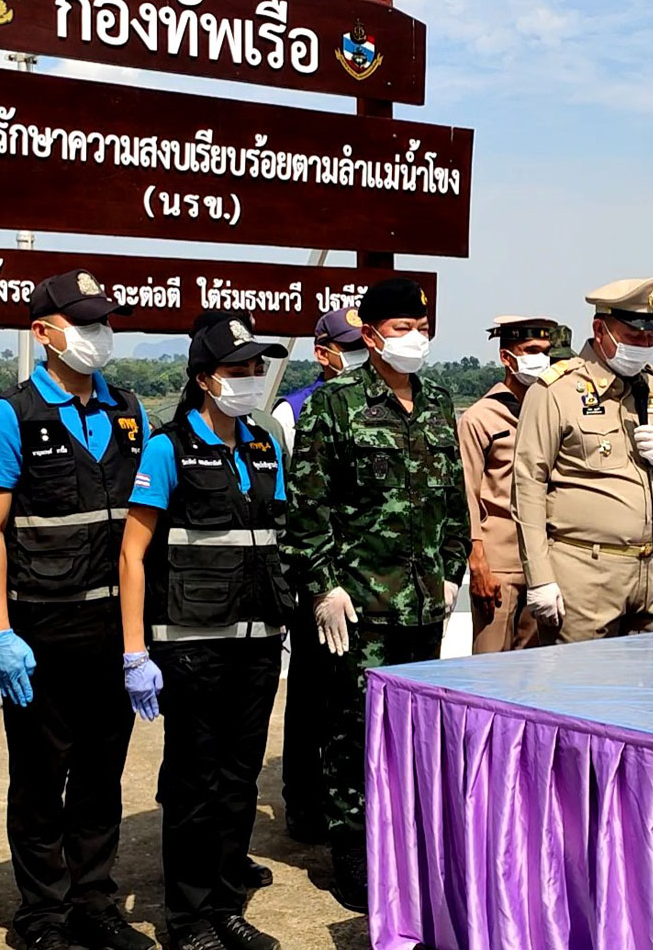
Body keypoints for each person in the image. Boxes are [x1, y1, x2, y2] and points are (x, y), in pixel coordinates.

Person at [0, 271, 150, 950]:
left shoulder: (128, 408)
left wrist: (140, 642)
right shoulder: (9, 415)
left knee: (102, 773)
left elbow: (140, 525)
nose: (99, 334)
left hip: (112, 628)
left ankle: (94, 899)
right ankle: (43, 913)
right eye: (84, 322)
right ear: (43, 333)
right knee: (41, 777)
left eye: (104, 321)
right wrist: (0, 632)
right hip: (40, 630)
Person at [281, 278, 469, 912]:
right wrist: (323, 585)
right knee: (352, 727)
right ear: (370, 335)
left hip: (423, 605)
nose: (415, 339)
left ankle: (404, 839)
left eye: (422, 328)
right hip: (359, 605)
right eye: (401, 329)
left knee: (414, 728)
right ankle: (353, 847)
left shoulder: (440, 402)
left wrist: (451, 571)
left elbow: (453, 502)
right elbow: (308, 507)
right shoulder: (334, 405)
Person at [117, 312, 290, 950]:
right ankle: (188, 919)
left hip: (258, 644)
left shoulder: (263, 444)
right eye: (236, 369)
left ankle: (226, 903)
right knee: (195, 780)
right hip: (191, 647)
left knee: (240, 778)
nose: (249, 378)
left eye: (255, 368)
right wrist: (135, 650)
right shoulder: (166, 448)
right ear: (204, 378)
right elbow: (133, 553)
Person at [512, 278, 653, 644]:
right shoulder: (556, 391)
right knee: (584, 690)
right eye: (634, 336)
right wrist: (541, 578)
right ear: (600, 330)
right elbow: (528, 486)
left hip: (649, 571)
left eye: (650, 338)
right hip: (586, 572)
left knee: (645, 690)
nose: (644, 345)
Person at [273, 306, 367, 845]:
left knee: (350, 695)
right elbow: (291, 506)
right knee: (311, 689)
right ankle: (303, 801)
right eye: (348, 344)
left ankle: (347, 798)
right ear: (323, 352)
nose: (358, 352)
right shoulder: (295, 410)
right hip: (314, 577)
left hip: (368, 582)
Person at [459, 316, 557, 652]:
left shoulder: (551, 413)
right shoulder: (480, 418)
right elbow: (468, 495)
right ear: (506, 357)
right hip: (500, 560)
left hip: (545, 560)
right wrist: (478, 562)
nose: (540, 359)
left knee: (537, 672)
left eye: (545, 351)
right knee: (490, 668)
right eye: (531, 350)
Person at [272, 307, 370, 455]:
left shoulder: (390, 400)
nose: (361, 353)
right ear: (323, 354)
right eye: (351, 347)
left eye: (364, 346)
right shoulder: (292, 410)